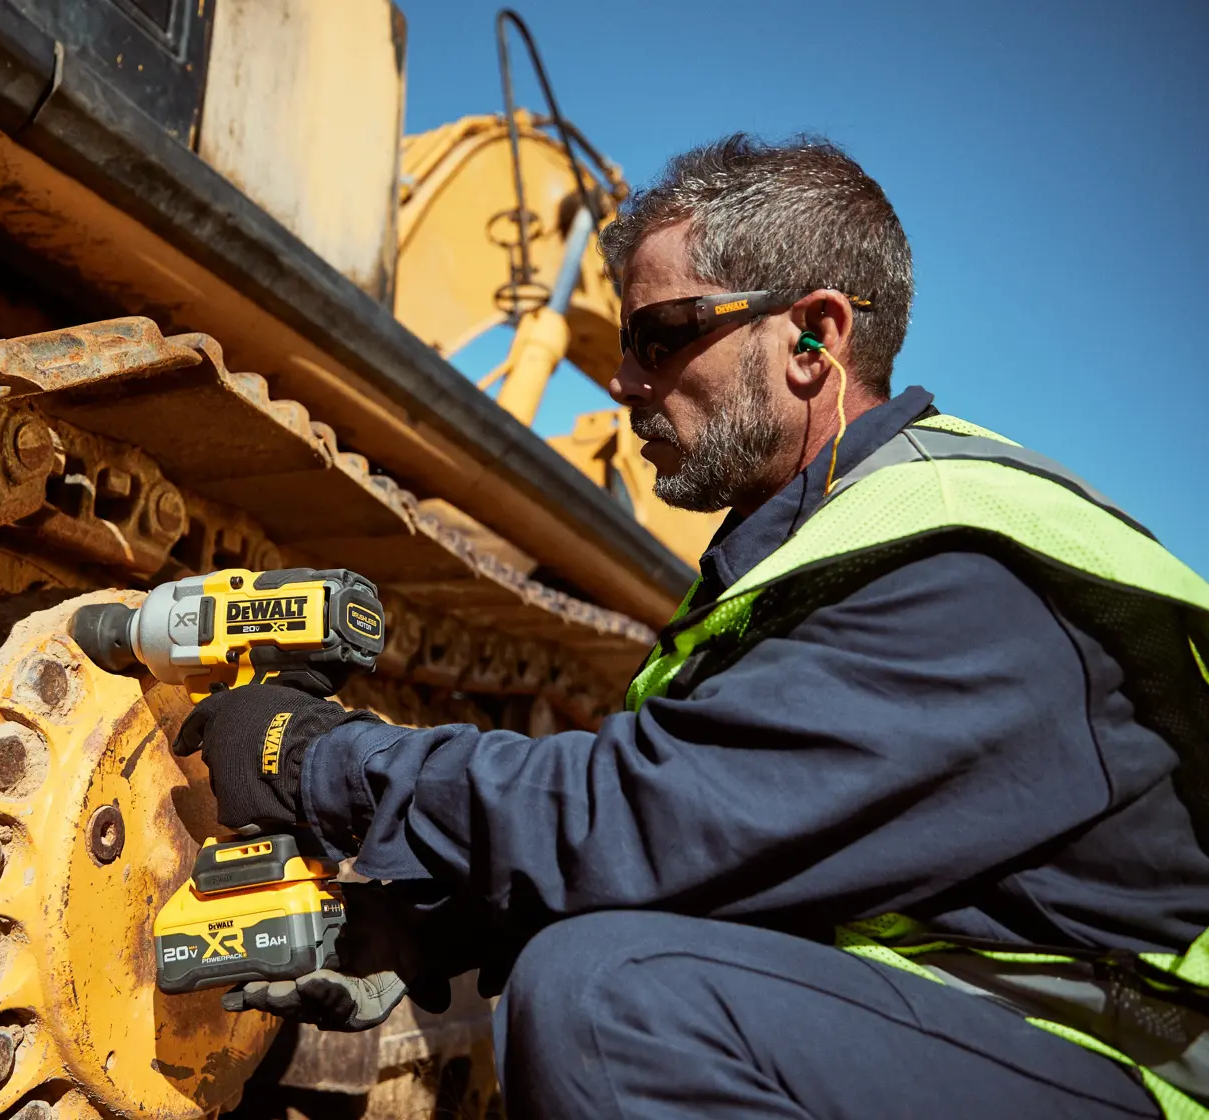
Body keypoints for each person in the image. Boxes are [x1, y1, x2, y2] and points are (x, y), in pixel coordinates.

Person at [177, 135, 1209, 1119]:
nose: (624, 380)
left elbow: (651, 819)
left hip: (1137, 1062)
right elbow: (741, 849)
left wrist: (320, 761)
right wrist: (421, 927)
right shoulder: (804, 556)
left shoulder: (953, 563)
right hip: (1003, 1036)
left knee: (607, 1002)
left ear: (815, 338)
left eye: (660, 337)